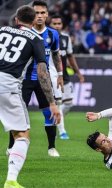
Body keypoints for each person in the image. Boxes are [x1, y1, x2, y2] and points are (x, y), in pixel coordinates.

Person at [0, 5, 60, 188]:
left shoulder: (2, 30)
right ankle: (11, 180)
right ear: (33, 21)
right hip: (8, 85)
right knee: (22, 135)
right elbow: (43, 73)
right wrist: (52, 102)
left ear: (16, 19)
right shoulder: (36, 38)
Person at [7, 0, 64, 157]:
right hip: (23, 80)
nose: (39, 16)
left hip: (43, 80)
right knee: (17, 114)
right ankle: (11, 146)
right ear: (32, 15)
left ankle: (51, 147)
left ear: (47, 14)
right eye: (36, 13)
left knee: (49, 113)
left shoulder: (53, 34)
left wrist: (60, 75)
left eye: (42, 13)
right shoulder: (24, 34)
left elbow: (56, 55)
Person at [49, 14, 85, 140]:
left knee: (69, 104)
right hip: (52, 76)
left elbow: (70, 57)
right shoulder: (46, 37)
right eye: (54, 24)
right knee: (58, 104)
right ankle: (62, 131)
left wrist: (78, 73)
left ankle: (56, 118)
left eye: (59, 23)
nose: (57, 26)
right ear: (50, 24)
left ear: (62, 25)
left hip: (64, 75)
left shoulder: (65, 38)